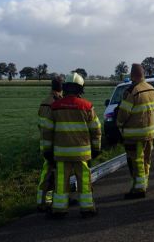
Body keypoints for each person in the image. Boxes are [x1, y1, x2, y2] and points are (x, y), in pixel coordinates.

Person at [46, 73, 101, 218]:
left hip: (61, 154)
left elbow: (47, 131)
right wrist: (96, 148)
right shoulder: (87, 106)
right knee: (84, 181)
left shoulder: (55, 106)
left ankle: (58, 209)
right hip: (82, 155)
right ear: (80, 89)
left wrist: (46, 150)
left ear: (65, 88)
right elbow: (96, 130)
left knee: (61, 182)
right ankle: (88, 208)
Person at [116, 64, 154, 199]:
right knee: (146, 160)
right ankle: (143, 184)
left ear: (132, 75)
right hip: (149, 133)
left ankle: (139, 189)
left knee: (136, 161)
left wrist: (119, 124)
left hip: (134, 134)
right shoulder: (151, 89)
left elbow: (124, 113)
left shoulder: (132, 91)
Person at [36, 75, 63, 212]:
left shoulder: (43, 102)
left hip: (44, 144)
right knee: (57, 174)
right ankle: (52, 200)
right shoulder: (58, 103)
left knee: (46, 173)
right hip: (56, 144)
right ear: (61, 88)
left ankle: (41, 201)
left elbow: (40, 125)